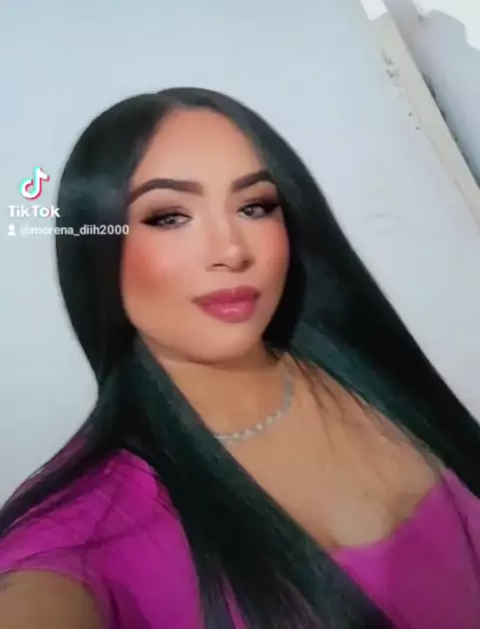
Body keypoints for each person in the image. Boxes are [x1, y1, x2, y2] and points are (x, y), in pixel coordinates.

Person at [0, 87, 479, 629]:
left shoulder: (361, 368)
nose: (231, 250)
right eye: (169, 216)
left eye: (254, 207)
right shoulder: (82, 527)